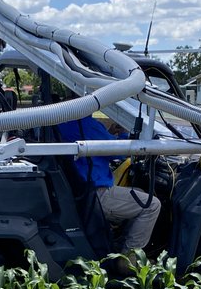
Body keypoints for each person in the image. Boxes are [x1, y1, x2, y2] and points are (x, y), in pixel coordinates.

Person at [57, 115, 161, 271]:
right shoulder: (87, 124)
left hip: (79, 190)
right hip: (95, 194)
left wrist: (109, 132)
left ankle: (119, 246)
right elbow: (119, 152)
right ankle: (129, 259)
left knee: (138, 192)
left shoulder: (64, 123)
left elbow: (95, 141)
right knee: (151, 205)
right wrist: (124, 134)